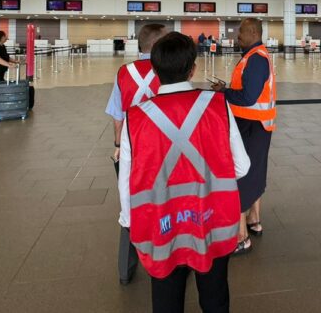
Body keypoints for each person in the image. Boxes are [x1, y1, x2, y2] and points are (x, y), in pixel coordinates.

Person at [118, 32, 250, 313]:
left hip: (161, 224)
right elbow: (242, 166)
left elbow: (127, 182)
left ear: (155, 71)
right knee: (215, 298)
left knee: (166, 301)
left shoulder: (135, 118)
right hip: (212, 221)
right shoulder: (217, 105)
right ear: (193, 69)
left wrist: (130, 223)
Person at [105, 23, 168, 285]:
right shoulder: (168, 69)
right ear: (158, 45)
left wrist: (118, 145)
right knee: (164, 202)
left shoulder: (124, 72)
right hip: (162, 148)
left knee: (129, 204)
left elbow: (117, 115)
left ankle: (126, 268)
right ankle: (166, 259)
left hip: (132, 147)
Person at [211, 17, 276, 255]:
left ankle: (241, 237)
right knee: (255, 171)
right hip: (257, 124)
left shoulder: (256, 59)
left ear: (253, 33)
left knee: (241, 174)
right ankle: (254, 219)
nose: (237, 36)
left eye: (241, 32)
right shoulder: (254, 56)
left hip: (251, 125)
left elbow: (248, 97)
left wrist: (224, 92)